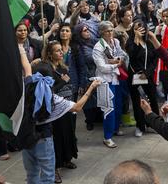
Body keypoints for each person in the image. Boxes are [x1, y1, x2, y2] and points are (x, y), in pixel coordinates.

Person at [20, 43, 100, 184]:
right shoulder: (51, 98)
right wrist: (91, 87)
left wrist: (21, 50)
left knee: (31, 174)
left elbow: (27, 69)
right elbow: (77, 107)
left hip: (26, 137)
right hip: (43, 137)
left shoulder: (25, 90)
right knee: (48, 175)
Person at [93, 21, 129, 149]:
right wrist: (115, 64)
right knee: (109, 109)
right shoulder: (98, 47)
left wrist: (116, 60)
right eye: (107, 31)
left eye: (112, 30)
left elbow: (121, 54)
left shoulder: (116, 42)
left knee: (118, 105)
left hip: (117, 78)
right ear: (102, 32)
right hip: (105, 81)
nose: (110, 33)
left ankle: (115, 129)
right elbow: (102, 67)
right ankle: (107, 137)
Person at [126, 20, 160, 138]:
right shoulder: (130, 42)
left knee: (152, 100)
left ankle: (154, 124)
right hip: (135, 76)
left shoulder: (149, 42)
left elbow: (155, 59)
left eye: (141, 28)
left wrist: (148, 72)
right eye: (136, 28)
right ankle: (140, 126)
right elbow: (132, 55)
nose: (139, 30)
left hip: (147, 76)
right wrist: (136, 39)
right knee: (137, 102)